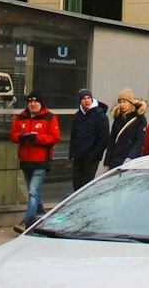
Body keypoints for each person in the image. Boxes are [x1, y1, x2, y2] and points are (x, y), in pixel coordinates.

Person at [9, 93, 61, 231]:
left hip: (41, 161)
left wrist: (37, 138)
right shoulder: (20, 117)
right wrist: (22, 137)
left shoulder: (50, 117)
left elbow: (55, 137)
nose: (33, 104)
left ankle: (26, 223)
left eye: (36, 102)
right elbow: (13, 135)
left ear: (41, 104)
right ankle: (45, 219)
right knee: (34, 193)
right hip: (26, 161)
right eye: (30, 102)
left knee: (33, 191)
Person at [70, 87, 109, 187]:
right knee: (76, 185)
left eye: (88, 98)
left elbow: (104, 138)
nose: (87, 100)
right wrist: (72, 153)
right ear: (80, 101)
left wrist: (94, 154)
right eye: (84, 98)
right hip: (78, 157)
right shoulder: (78, 116)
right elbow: (73, 135)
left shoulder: (100, 116)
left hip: (91, 158)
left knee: (86, 186)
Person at [104, 88, 148, 169]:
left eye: (125, 102)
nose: (122, 105)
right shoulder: (118, 119)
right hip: (115, 159)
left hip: (131, 160)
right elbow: (111, 141)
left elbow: (140, 141)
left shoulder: (139, 119)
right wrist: (107, 162)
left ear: (130, 103)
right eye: (120, 102)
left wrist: (130, 157)